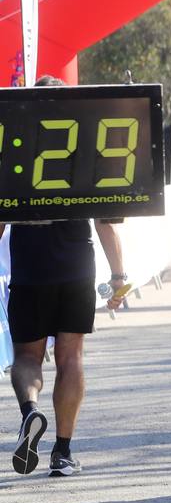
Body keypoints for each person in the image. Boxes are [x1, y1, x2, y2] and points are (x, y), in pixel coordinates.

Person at [6, 77, 128, 478]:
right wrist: (119, 275)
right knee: (71, 358)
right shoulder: (89, 144)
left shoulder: (15, 146)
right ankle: (62, 452)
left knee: (26, 358)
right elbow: (107, 222)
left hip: (29, 266)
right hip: (77, 265)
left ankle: (31, 411)